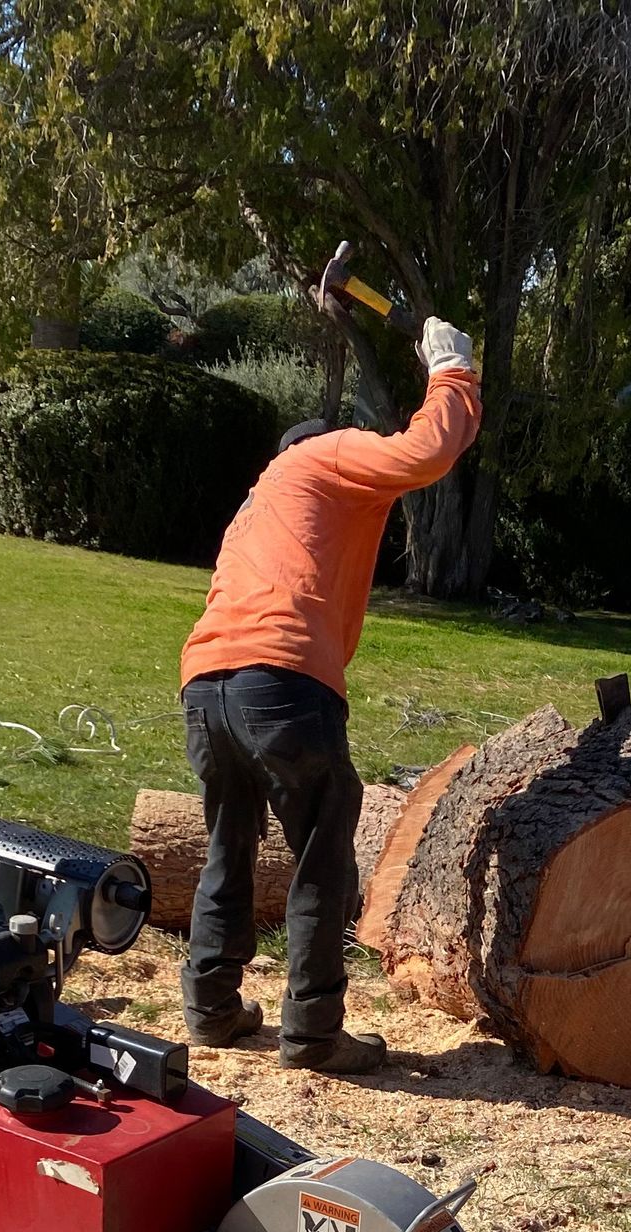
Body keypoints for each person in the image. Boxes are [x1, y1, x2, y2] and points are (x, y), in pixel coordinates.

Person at [177, 314, 481, 1073]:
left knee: (229, 842)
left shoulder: (258, 503)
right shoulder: (324, 457)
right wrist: (452, 373)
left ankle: (211, 1007)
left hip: (206, 686)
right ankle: (312, 1032)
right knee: (322, 853)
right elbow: (425, 451)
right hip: (280, 681)